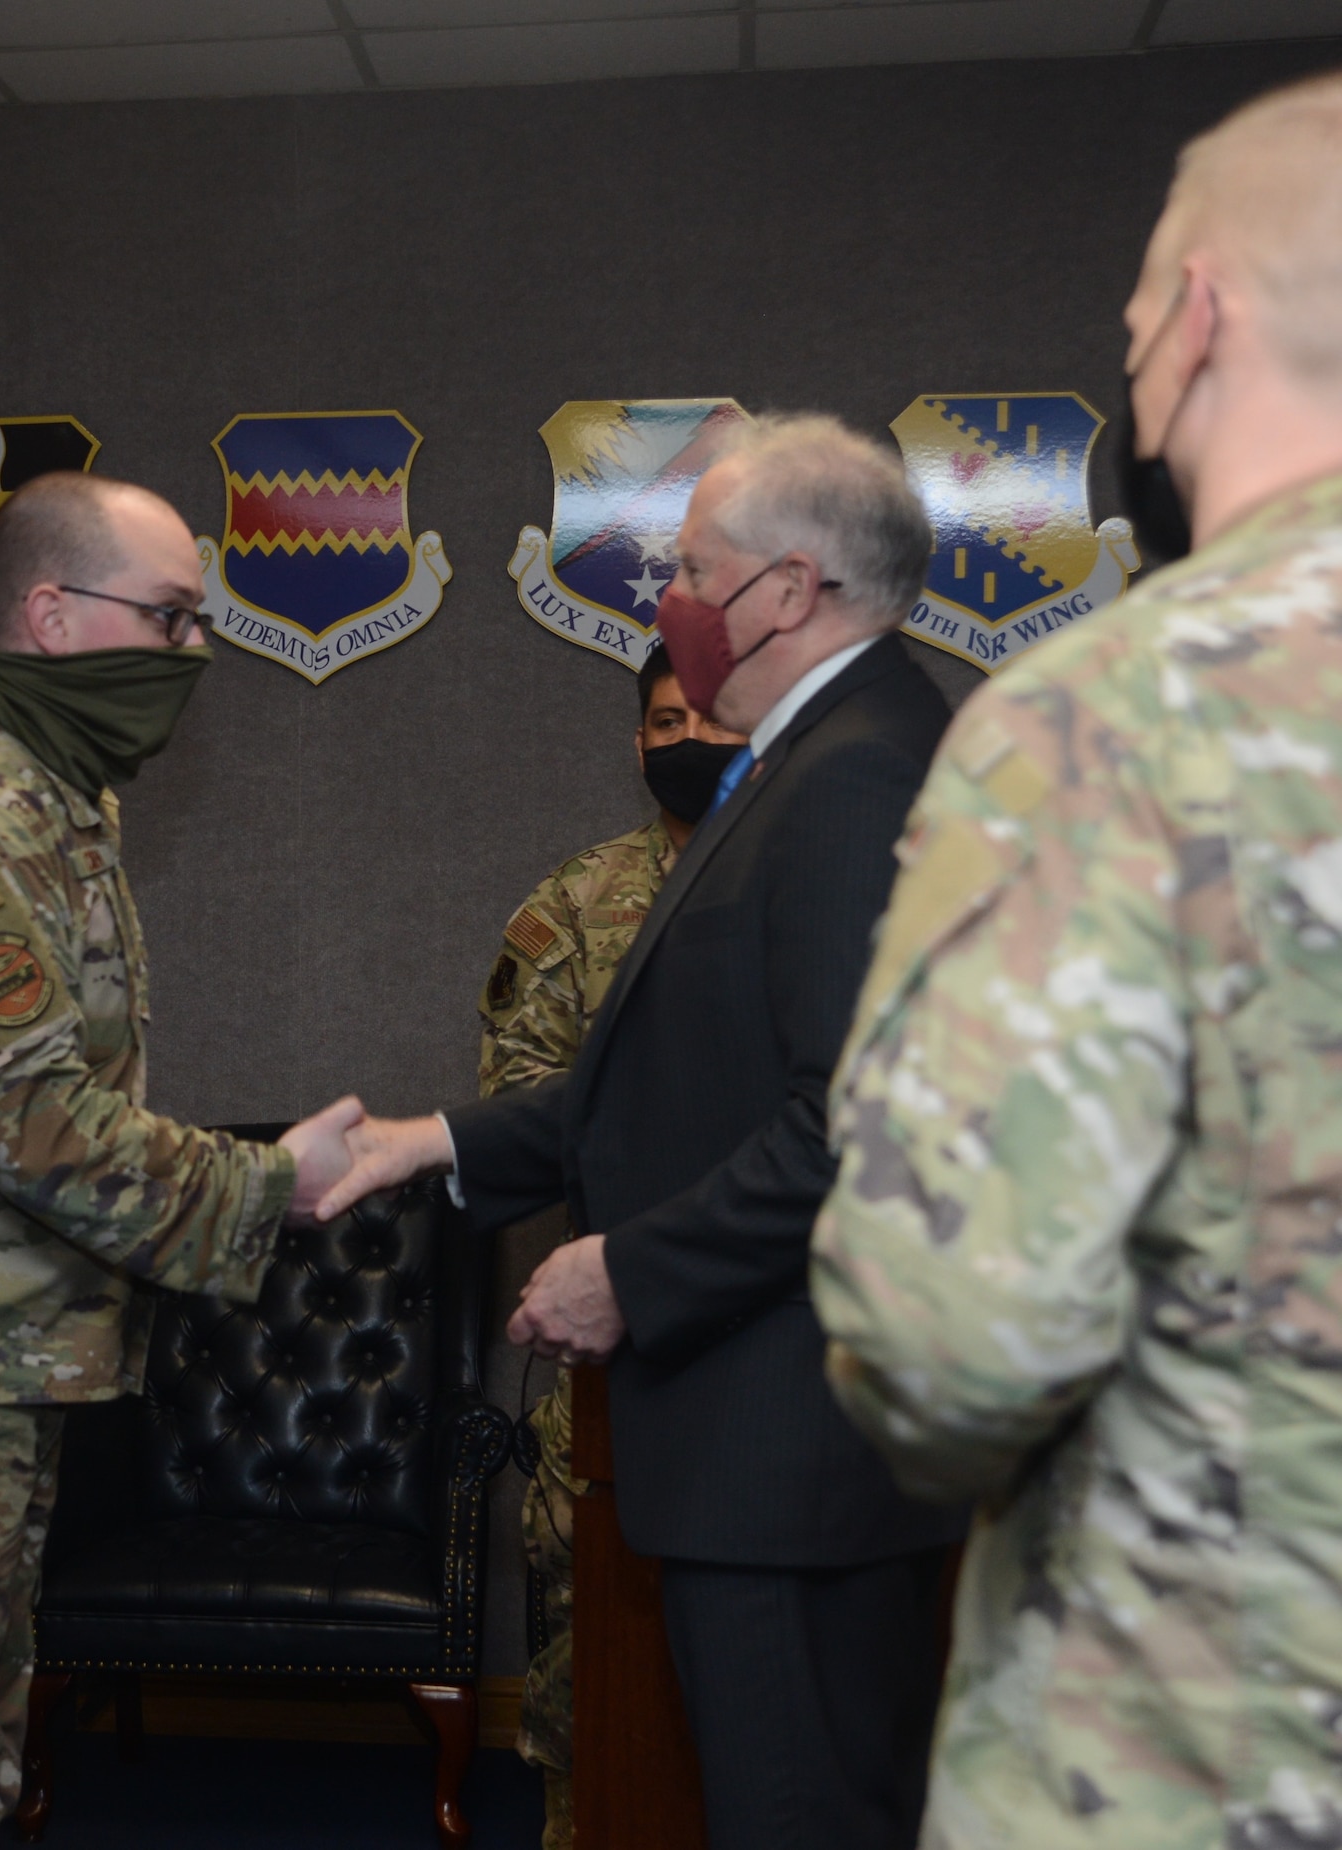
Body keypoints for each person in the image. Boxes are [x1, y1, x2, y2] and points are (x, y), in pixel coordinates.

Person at [811, 68, 1342, 1850]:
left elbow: (954, 1326)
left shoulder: (1122, 712)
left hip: (1213, 1746)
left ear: (1199, 319)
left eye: (1137, 309)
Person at [319, 413, 966, 1849]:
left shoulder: (858, 775)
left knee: (800, 1814)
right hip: (765, 1442)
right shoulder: (811, 754)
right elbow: (700, 1073)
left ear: (789, 590)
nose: (668, 595)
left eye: (691, 565)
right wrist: (434, 1139)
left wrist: (632, 1270)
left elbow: (857, 1124)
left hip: (795, 1451)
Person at [0, 470, 356, 1850]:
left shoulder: (58, 796)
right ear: (53, 613)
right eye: (175, 618)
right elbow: (35, 1118)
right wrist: (268, 1181)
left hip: (6, 1356)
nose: (195, 655)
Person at [479, 646, 744, 1850]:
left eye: (710, 714)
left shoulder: (823, 882)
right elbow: (521, 1105)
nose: (685, 735)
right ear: (634, 741)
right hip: (612, 1349)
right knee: (586, 1665)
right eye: (662, 717)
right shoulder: (578, 903)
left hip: (783, 1337)